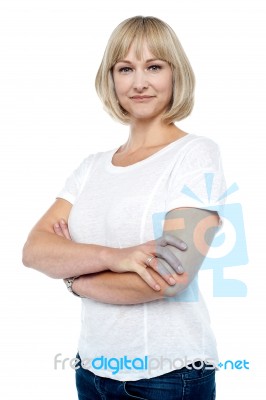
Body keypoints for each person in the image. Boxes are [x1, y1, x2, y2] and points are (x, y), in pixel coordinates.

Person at [23, 16, 226, 400]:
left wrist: (75, 278)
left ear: (174, 74)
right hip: (91, 370)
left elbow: (169, 279)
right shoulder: (91, 167)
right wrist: (114, 257)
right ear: (111, 79)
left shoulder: (194, 154)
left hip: (168, 375)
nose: (139, 82)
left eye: (154, 66)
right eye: (125, 68)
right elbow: (34, 251)